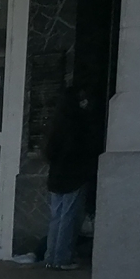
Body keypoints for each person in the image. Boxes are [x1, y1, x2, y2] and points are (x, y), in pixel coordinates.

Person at [42, 83, 100, 269]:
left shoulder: (57, 123)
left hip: (57, 177)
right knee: (69, 218)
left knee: (57, 217)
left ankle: (51, 257)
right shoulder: (80, 123)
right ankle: (63, 258)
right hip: (74, 177)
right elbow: (87, 148)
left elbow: (49, 151)